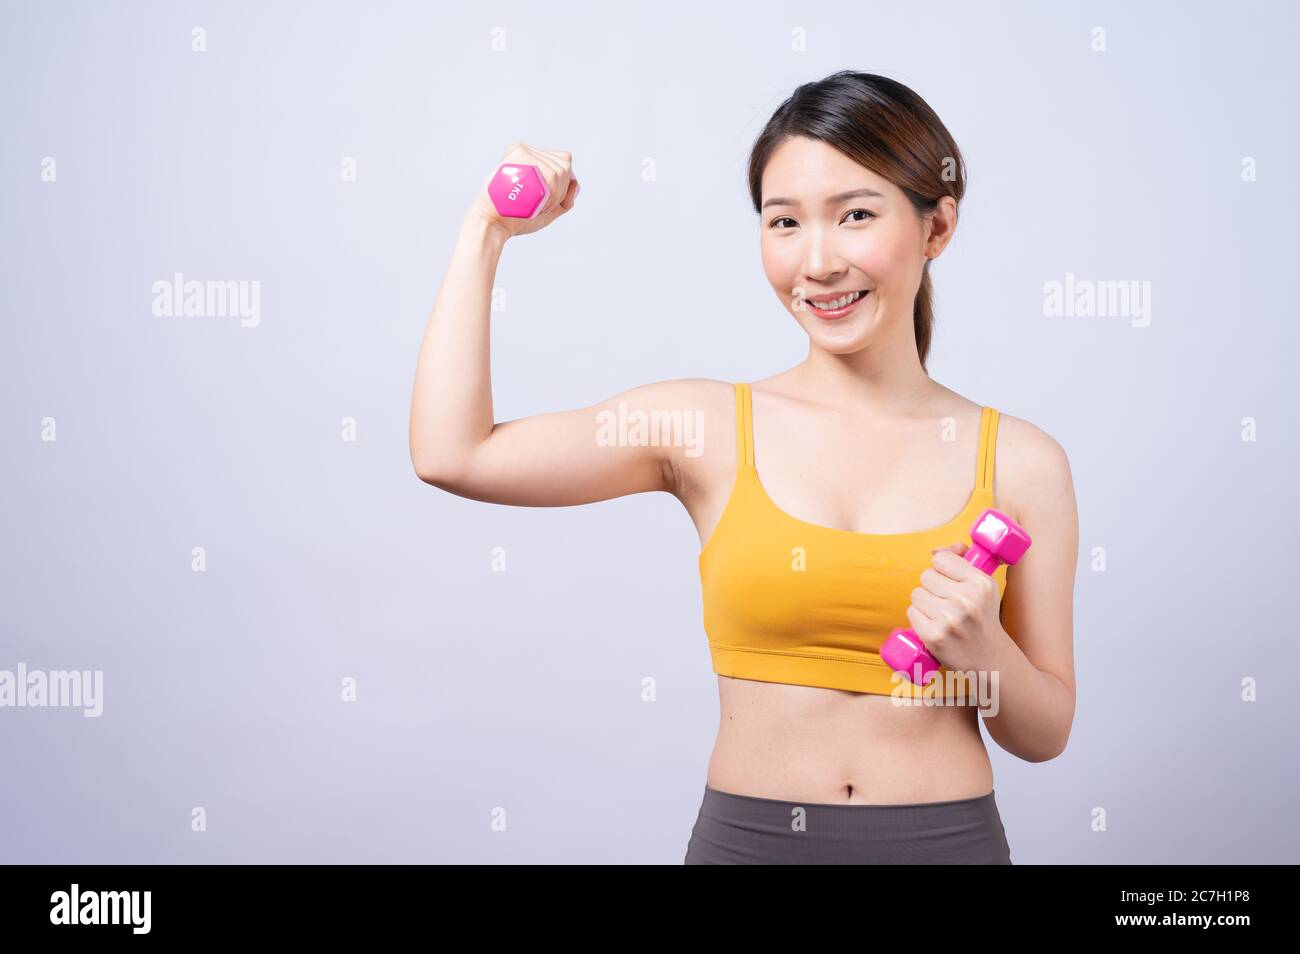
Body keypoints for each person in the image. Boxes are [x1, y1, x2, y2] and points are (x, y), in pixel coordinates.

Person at [409, 70, 1078, 865]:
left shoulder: (1024, 463)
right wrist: (483, 232)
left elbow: (1044, 734)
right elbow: (453, 454)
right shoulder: (703, 428)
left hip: (945, 844)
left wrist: (987, 657)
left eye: (856, 215)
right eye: (784, 222)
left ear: (937, 229)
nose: (819, 261)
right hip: (749, 847)